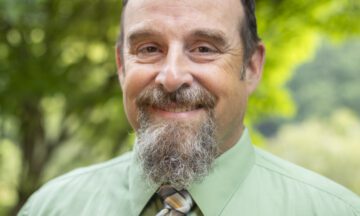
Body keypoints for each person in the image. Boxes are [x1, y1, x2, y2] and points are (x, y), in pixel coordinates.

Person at [19, 0, 360, 215]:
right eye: (150, 48)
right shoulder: (51, 207)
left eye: (204, 48)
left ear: (252, 66)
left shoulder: (334, 210)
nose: (171, 76)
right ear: (122, 66)